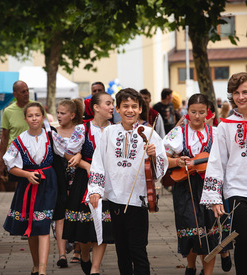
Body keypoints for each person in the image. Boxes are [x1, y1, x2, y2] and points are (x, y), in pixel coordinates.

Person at [87, 88, 168, 275]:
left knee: (138, 249)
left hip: (138, 200)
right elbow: (98, 163)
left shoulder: (149, 133)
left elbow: (160, 169)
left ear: (140, 109)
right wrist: (96, 189)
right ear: (117, 109)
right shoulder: (108, 133)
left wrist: (154, 155)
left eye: (134, 106)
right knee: (121, 250)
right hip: (115, 198)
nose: (129, 110)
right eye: (125, 106)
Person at [200, 72, 247, 275]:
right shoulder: (224, 127)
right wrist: (214, 198)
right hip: (237, 190)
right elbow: (216, 162)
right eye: (236, 93)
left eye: (245, 92)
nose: (241, 97)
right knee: (243, 238)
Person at [163, 93, 230, 275]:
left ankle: (208, 271)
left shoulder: (216, 133)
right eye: (193, 112)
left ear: (208, 112)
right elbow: (161, 157)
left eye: (201, 112)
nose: (197, 116)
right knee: (191, 230)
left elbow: (227, 159)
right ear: (187, 112)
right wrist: (177, 162)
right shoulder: (178, 132)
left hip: (210, 185)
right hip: (186, 186)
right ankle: (191, 266)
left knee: (210, 230)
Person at [2, 102, 65, 275]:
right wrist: (27, 175)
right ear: (25, 119)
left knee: (43, 223)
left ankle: (43, 269)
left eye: (37, 115)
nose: (34, 118)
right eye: (30, 116)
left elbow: (66, 151)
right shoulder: (20, 140)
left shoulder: (51, 136)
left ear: (43, 117)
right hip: (27, 185)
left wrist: (78, 157)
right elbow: (10, 165)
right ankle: (36, 264)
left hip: (49, 184)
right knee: (32, 226)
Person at [63, 92, 115, 275]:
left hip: (108, 181)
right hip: (85, 180)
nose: (112, 107)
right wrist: (85, 164)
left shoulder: (115, 129)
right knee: (85, 226)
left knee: (104, 224)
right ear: (96, 107)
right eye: (108, 103)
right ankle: (85, 255)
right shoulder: (82, 129)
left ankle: (95, 269)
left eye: (112, 103)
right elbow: (68, 152)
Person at [52, 99, 84, 268]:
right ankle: (62, 254)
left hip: (77, 177)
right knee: (60, 216)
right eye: (57, 112)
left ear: (72, 115)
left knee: (77, 212)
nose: (59, 116)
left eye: (62, 113)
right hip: (59, 179)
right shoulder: (52, 132)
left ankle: (78, 250)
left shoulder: (80, 131)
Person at [0, 81, 30, 177]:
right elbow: (4, 138)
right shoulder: (8, 111)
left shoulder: (36, 108)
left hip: (34, 154)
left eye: (27, 90)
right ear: (14, 94)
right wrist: (2, 161)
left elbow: (46, 131)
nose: (27, 94)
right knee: (19, 186)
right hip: (15, 155)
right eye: (23, 92)